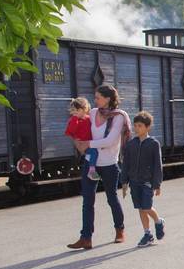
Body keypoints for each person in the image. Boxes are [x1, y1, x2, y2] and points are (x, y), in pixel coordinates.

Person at [67, 85, 131, 251]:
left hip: (109, 163)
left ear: (108, 98)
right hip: (91, 162)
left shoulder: (118, 117)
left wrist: (88, 144)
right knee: (87, 201)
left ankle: (120, 230)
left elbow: (110, 140)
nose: (94, 101)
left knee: (111, 198)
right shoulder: (94, 112)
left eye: (97, 97)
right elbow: (82, 129)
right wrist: (77, 141)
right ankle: (86, 238)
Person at [120, 111, 165, 248]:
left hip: (147, 182)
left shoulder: (153, 144)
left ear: (147, 127)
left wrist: (157, 184)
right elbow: (126, 164)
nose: (136, 128)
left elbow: (158, 165)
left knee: (146, 207)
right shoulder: (131, 144)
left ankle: (158, 221)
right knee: (140, 208)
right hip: (134, 181)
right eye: (135, 126)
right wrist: (124, 182)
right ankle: (147, 234)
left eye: (140, 126)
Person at [65, 97, 100, 181]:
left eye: (77, 110)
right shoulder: (73, 120)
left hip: (90, 142)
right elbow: (70, 131)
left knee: (95, 152)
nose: (75, 113)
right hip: (84, 144)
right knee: (94, 152)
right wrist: (75, 119)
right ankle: (91, 171)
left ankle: (93, 169)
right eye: (73, 111)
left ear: (84, 109)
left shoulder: (89, 118)